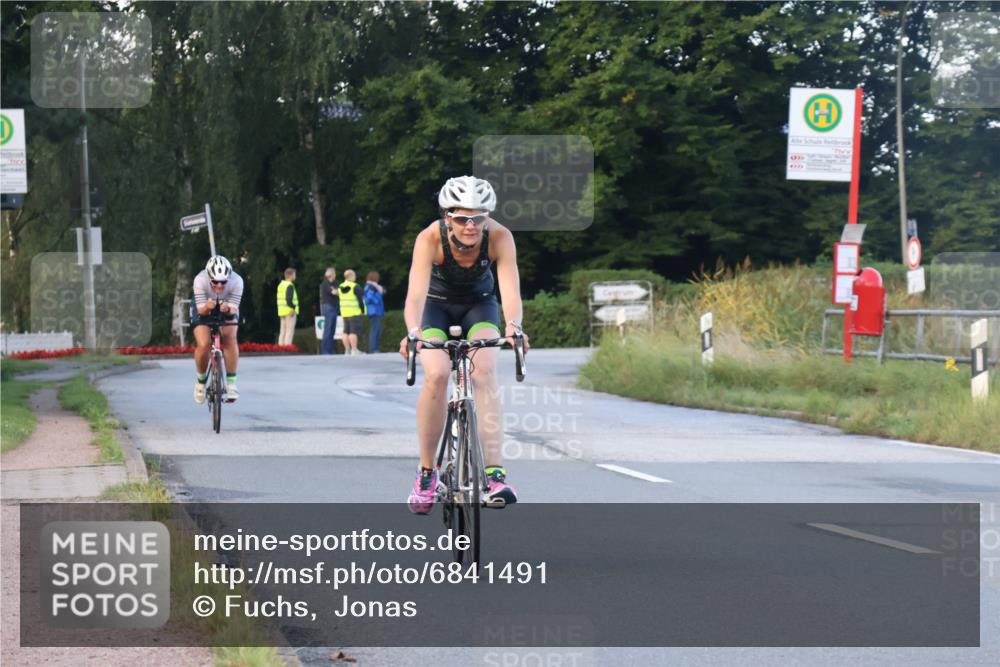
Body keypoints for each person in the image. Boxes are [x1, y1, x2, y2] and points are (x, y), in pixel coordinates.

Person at [399, 175, 529, 515]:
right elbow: (414, 296)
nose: (470, 225)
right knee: (437, 375)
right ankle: (427, 474)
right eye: (461, 218)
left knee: (484, 370)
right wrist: (414, 331)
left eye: (478, 217)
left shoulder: (500, 237)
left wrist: (514, 327)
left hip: (480, 306)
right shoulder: (430, 238)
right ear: (447, 217)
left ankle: (495, 475)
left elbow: (510, 291)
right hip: (435, 307)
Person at [192, 255, 244, 403]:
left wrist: (227, 309)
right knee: (204, 343)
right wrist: (207, 307)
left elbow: (233, 311)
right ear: (209, 278)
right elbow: (201, 311)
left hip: (226, 305)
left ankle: (231, 383)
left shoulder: (237, 281)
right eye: (215, 282)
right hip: (204, 306)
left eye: (223, 282)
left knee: (229, 337)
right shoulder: (200, 280)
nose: (220, 286)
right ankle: (200, 382)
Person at [338, 269, 366, 355]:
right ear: (351, 276)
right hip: (354, 312)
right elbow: (360, 300)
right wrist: (363, 310)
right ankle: (354, 350)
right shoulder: (355, 286)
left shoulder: (340, 287)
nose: (355, 277)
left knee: (345, 332)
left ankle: (347, 350)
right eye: (354, 275)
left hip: (344, 312)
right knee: (353, 332)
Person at [364, 271, 386, 353]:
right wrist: (377, 300)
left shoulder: (373, 287)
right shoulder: (370, 287)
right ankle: (373, 349)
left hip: (376, 311)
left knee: (378, 330)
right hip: (373, 311)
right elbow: (369, 298)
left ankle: (375, 348)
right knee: (375, 330)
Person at [276, 267, 298, 347]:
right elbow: (288, 298)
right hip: (290, 311)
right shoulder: (289, 285)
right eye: (294, 274)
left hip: (282, 311)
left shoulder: (281, 285)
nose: (295, 276)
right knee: (289, 330)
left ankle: (280, 348)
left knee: (282, 331)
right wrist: (293, 307)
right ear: (290, 275)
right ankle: (287, 348)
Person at [319, 267, 339, 355]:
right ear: (331, 274)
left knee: (332, 329)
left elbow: (337, 291)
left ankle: (330, 350)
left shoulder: (334, 283)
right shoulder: (325, 283)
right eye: (334, 274)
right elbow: (334, 292)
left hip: (334, 307)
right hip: (328, 307)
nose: (335, 275)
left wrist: (338, 291)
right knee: (328, 329)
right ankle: (325, 350)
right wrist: (339, 291)